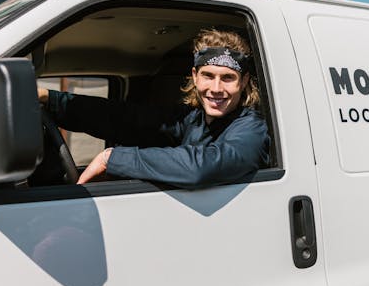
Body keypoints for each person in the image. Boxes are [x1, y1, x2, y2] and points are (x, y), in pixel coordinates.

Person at [37, 29, 270, 188]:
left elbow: (203, 166)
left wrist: (114, 158)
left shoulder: (252, 128)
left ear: (245, 81)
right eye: (208, 76)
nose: (216, 88)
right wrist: (52, 100)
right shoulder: (192, 118)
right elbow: (125, 118)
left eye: (228, 78)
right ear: (195, 77)